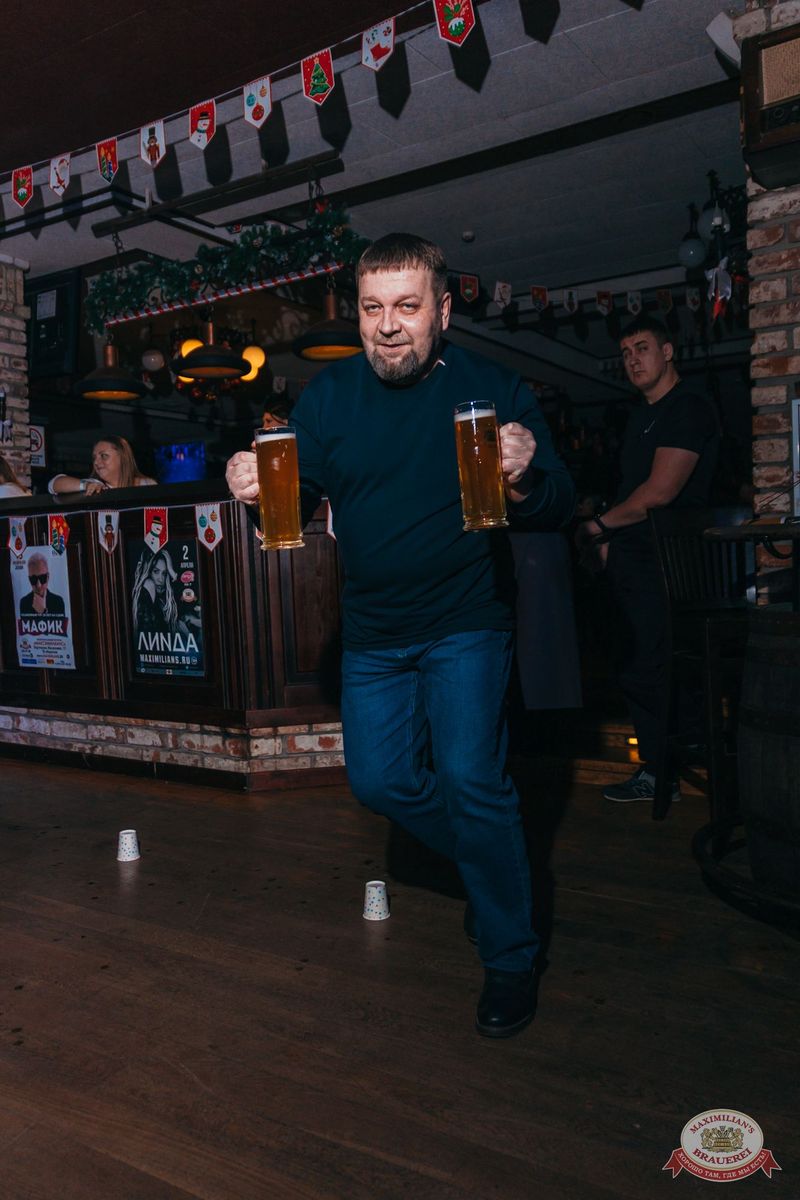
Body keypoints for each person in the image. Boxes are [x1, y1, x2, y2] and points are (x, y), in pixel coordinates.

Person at [227, 233, 574, 1038]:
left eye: (407, 307)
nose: (388, 325)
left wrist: (525, 475)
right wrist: (253, 490)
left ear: (442, 312)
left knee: (471, 781)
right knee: (379, 784)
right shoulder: (328, 397)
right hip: (374, 631)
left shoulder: (492, 388)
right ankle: (496, 872)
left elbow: (559, 505)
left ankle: (511, 954)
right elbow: (293, 498)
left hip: (466, 621)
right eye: (373, 308)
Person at [575, 315, 719, 804]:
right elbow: (630, 492)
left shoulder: (688, 407)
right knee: (635, 663)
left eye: (641, 348)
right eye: (626, 353)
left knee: (647, 665)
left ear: (668, 351)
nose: (632, 360)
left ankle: (664, 774)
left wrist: (598, 527)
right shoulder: (641, 417)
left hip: (669, 560)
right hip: (636, 556)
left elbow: (658, 493)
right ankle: (668, 768)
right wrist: (608, 540)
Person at [48, 435, 156, 495]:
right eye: (94, 458)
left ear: (122, 458)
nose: (96, 462)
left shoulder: (147, 484)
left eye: (104, 456)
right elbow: (53, 484)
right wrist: (86, 485)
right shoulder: (97, 485)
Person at [131, 548, 180, 636]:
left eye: (164, 573)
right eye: (156, 571)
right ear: (148, 572)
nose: (161, 579)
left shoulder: (161, 602)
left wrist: (172, 572)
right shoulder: (149, 584)